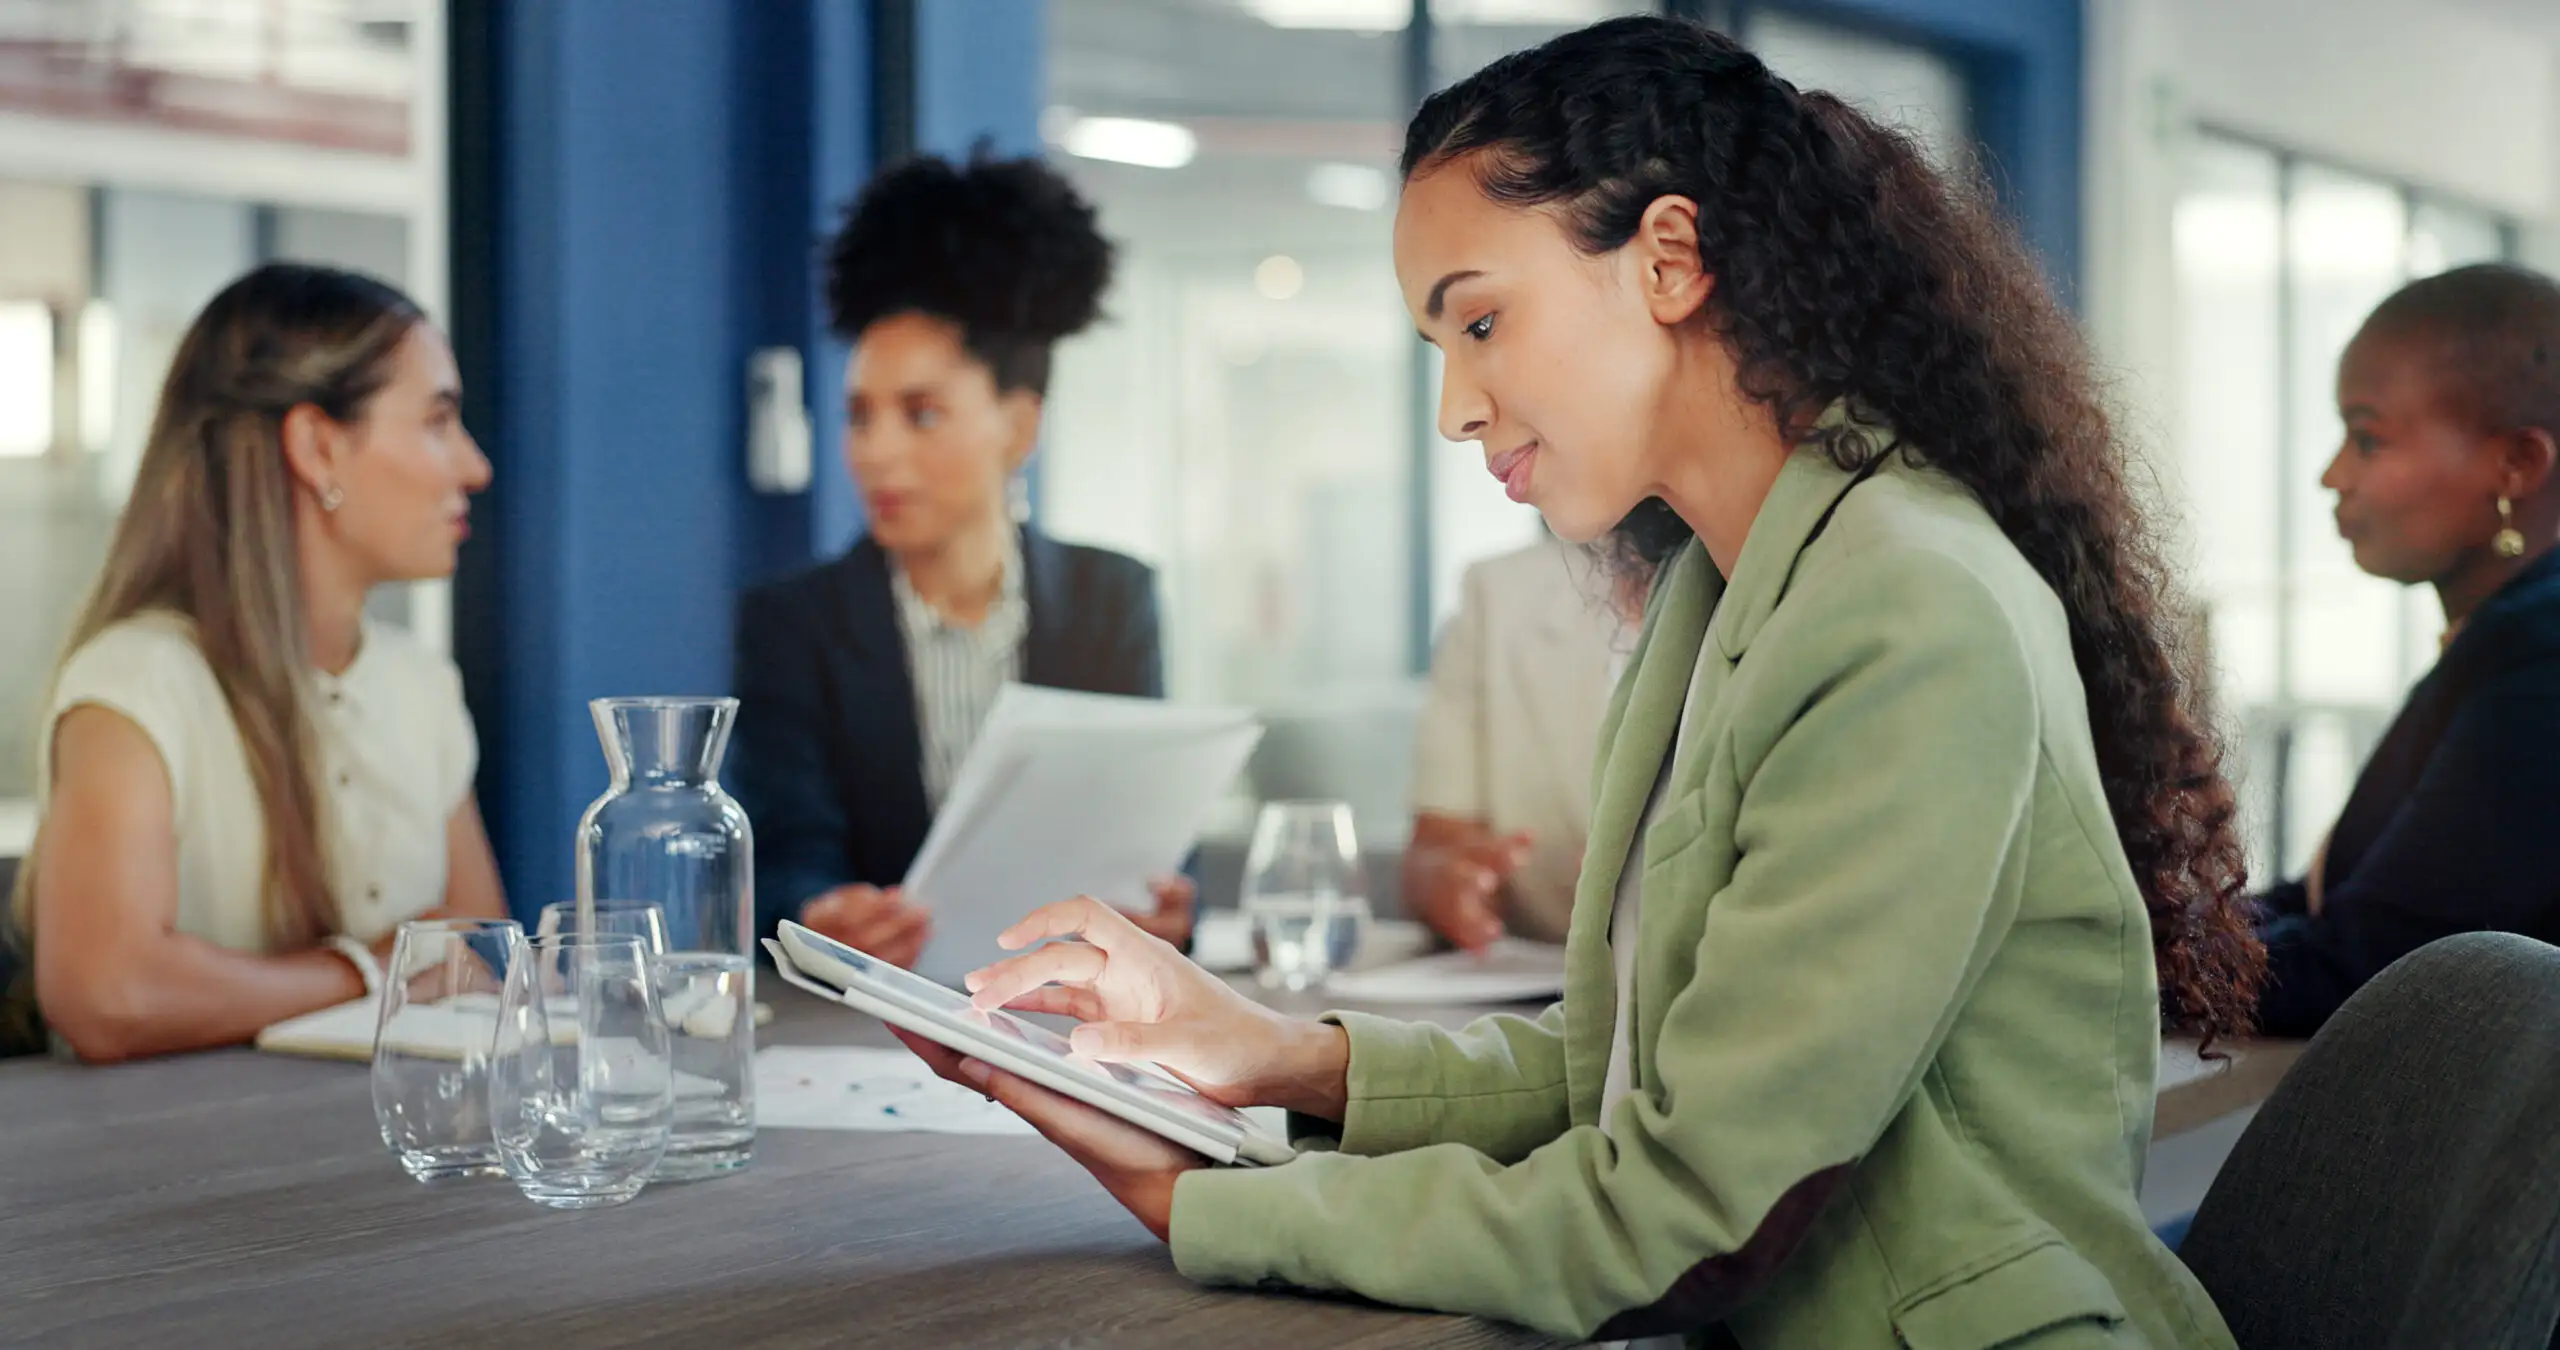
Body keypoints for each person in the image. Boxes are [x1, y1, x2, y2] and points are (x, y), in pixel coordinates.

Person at [894, 18, 2268, 1348]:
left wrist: (1208, 1199)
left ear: (1669, 258)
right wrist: (1267, 1050)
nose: (1457, 408)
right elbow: (1623, 1068)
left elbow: (1684, 1211)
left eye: (1482, 322)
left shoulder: (1904, 604)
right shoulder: (1723, 593)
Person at [4, 263, 504, 1063]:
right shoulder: (138, 682)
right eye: (437, 421)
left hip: (392, 1133)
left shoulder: (421, 686)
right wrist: (375, 970)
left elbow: (480, 965)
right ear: (317, 447)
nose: (474, 467)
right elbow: (107, 993)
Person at [732, 150, 1192, 970]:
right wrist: (818, 912)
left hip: (1059, 1009)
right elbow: (787, 856)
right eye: (860, 416)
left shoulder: (1110, 598)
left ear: (1019, 427)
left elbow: (1150, 837)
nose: (875, 453)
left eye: (921, 414)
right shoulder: (792, 623)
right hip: (868, 1016)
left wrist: (1171, 906)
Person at [2250, 263, 2560, 1037]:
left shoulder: (2542, 662)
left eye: (2368, 439)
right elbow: (2333, 903)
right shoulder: (2499, 640)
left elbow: (2367, 967)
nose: (2333, 476)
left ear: (2516, 465)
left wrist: (2120, 957)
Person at [1404, 534, 1635, 948]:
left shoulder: (1752, 589)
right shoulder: (1498, 595)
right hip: (1544, 969)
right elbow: (1432, 849)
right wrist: (1457, 885)